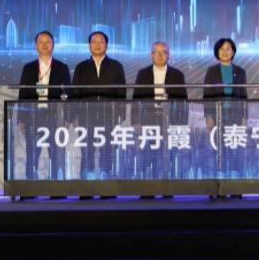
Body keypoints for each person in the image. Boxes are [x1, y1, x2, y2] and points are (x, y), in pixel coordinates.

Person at [71, 31, 126, 178]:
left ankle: (106, 175)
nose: (97, 45)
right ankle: (87, 175)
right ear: (89, 45)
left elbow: (122, 91)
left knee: (108, 146)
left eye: (101, 41)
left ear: (106, 45)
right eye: (94, 42)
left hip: (109, 113)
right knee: (86, 145)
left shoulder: (116, 66)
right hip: (85, 113)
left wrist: (120, 114)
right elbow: (75, 91)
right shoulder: (81, 67)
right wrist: (73, 115)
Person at [17, 30, 71, 181]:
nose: (44, 45)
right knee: (32, 151)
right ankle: (30, 185)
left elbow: (68, 93)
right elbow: (23, 94)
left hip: (55, 117)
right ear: (36, 45)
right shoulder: (28, 68)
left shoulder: (62, 67)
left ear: (53, 45)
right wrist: (21, 119)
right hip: (33, 116)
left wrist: (67, 118)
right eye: (41, 42)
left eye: (48, 42)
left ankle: (57, 185)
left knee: (56, 152)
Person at [131, 41, 188, 180]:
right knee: (148, 153)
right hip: (148, 118)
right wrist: (135, 121)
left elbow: (183, 101)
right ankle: (149, 184)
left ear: (169, 55)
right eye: (156, 52)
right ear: (151, 55)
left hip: (170, 119)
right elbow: (136, 99)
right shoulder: (143, 74)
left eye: (164, 52)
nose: (160, 55)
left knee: (169, 153)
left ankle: (168, 183)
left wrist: (182, 124)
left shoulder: (177, 75)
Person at [203, 38, 248, 179]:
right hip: (217, 115)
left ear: (233, 52)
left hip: (236, 115)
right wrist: (208, 116)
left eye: (228, 49)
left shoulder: (240, 71)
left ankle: (235, 178)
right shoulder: (211, 71)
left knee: (235, 146)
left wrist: (245, 117)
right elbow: (207, 95)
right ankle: (220, 176)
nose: (225, 52)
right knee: (219, 146)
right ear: (217, 52)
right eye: (222, 49)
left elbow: (244, 95)